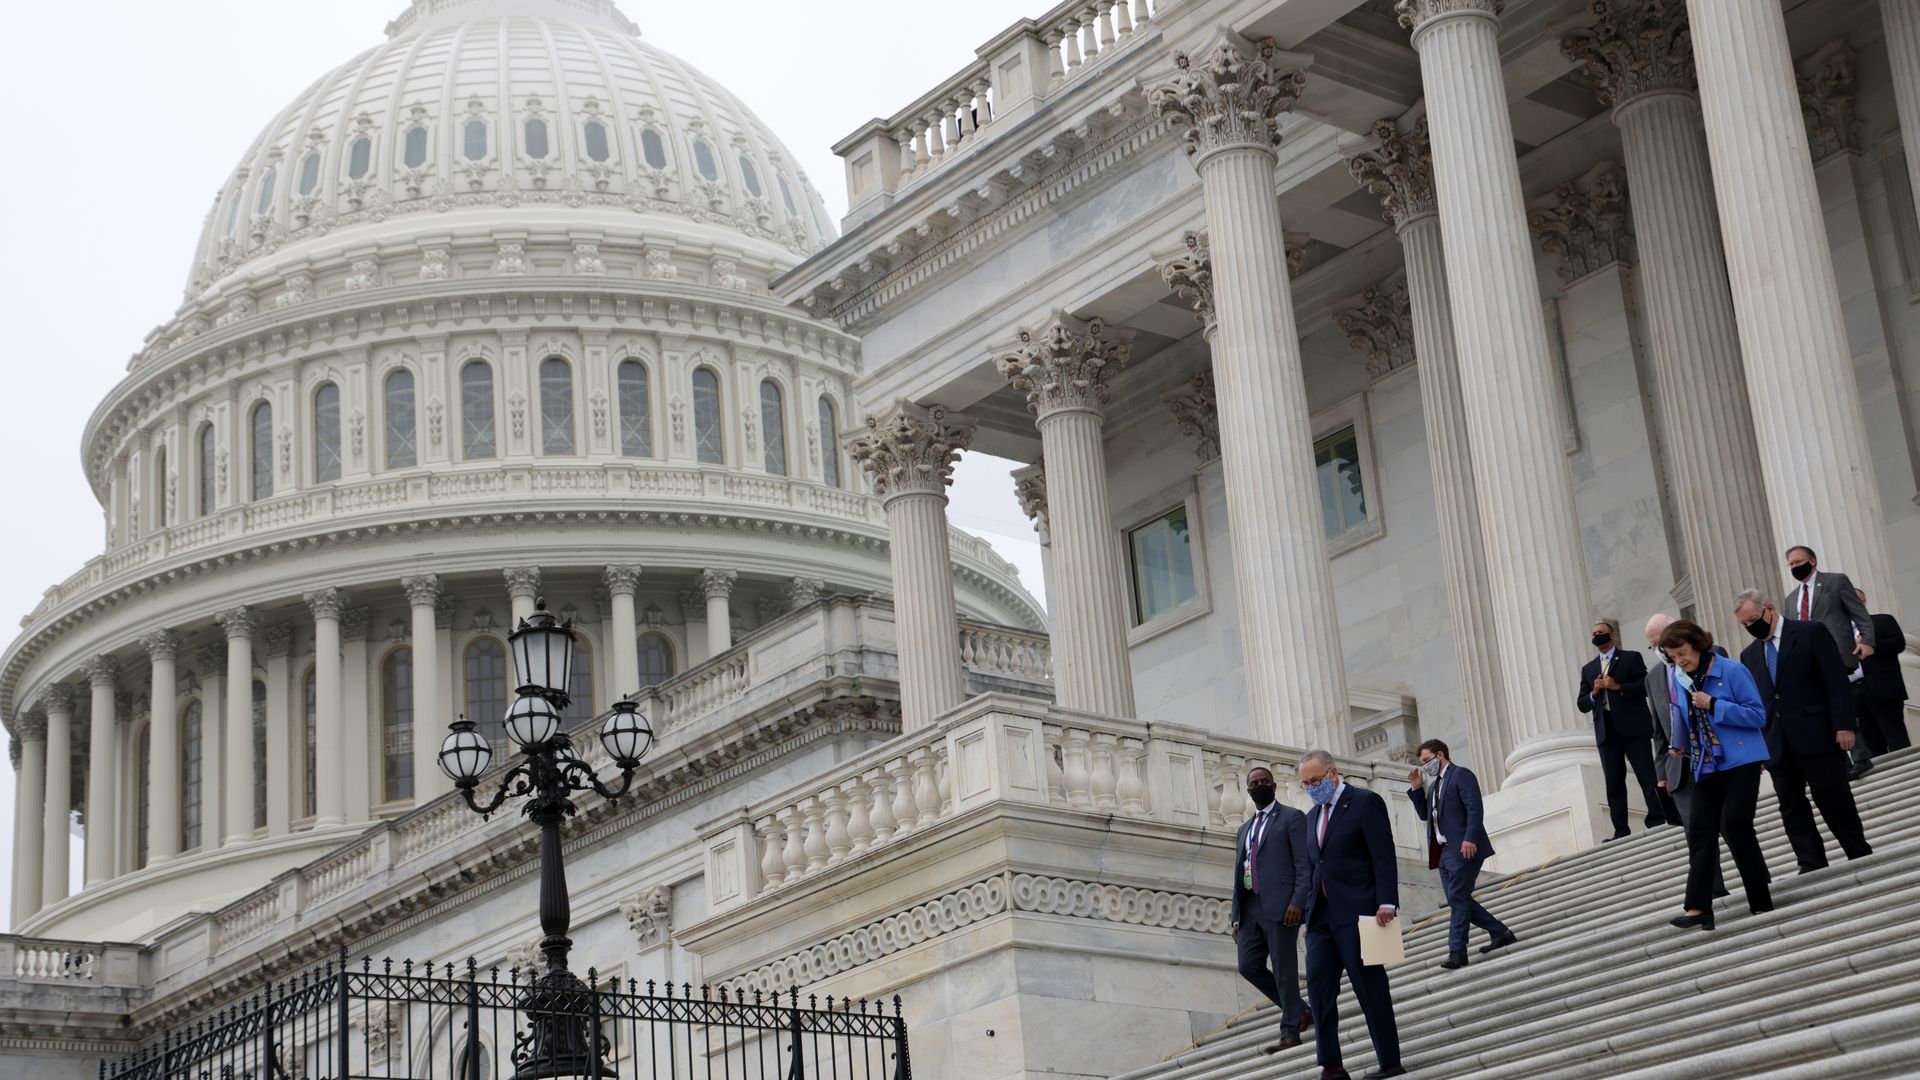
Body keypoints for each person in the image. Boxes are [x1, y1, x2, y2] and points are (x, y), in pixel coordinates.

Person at [1734, 588, 1873, 873]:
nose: (1751, 627)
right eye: (1744, 624)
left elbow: (1835, 681)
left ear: (1769, 608)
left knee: (1832, 795)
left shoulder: (1810, 632)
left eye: (1753, 619)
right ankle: (1810, 861)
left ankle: (1857, 850)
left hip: (1818, 732)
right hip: (1777, 742)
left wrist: (1845, 725)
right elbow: (1757, 704)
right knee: (1790, 804)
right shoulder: (1748, 655)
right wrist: (1758, 747)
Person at [1656, 619, 1772, 930]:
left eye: (1683, 652)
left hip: (1742, 759)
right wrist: (1679, 745)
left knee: (1736, 825)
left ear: (1697, 643)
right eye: (1673, 656)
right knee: (1700, 831)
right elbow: (1684, 719)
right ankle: (1697, 907)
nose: (1680, 660)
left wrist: (1715, 704)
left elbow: (1757, 714)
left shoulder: (1731, 670)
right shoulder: (1681, 681)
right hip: (1705, 764)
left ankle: (1760, 896)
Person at [1298, 749, 1404, 1080]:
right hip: (1321, 918)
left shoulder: (1364, 803)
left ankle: (1390, 1061)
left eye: (1315, 780)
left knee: (1370, 988)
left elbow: (1382, 854)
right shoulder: (1310, 817)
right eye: (1305, 783)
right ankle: (1331, 1065)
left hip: (1359, 913)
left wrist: (1387, 901)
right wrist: (1307, 912)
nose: (1312, 787)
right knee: (1318, 988)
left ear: (1333, 773)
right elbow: (1316, 867)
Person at [1405, 739, 1516, 971]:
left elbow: (1475, 808)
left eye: (1426, 761)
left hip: (1465, 847)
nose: (1425, 766)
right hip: (1444, 852)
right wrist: (1417, 788)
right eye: (1422, 763)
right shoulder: (1435, 786)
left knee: (1457, 898)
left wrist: (1470, 838)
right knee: (1459, 898)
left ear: (1440, 754)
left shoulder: (1461, 775)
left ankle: (1458, 951)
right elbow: (1426, 815)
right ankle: (1500, 932)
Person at [1230, 766, 1314, 1053]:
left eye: (1265, 781)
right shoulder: (1244, 828)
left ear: (1274, 786)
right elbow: (1239, 873)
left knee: (1284, 969)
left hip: (1282, 907)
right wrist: (1235, 917)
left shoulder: (1291, 818)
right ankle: (1301, 1010)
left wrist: (1298, 902)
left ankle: (1289, 1032)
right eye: (1254, 783)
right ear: (1248, 789)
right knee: (1248, 965)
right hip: (1250, 908)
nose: (1260, 786)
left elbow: (1304, 864)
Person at [1643, 613, 1723, 898]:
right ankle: (1713, 890)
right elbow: (1658, 729)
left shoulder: (1711, 656)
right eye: (1653, 646)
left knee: (1730, 823)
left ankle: (1755, 879)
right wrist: (1661, 773)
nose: (1658, 651)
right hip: (1680, 766)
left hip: (1716, 757)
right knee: (1695, 830)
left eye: (1660, 644)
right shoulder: (1653, 677)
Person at [1783, 545, 1876, 779]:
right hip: (1806, 661)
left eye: (1798, 562)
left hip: (1835, 652)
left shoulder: (1835, 582)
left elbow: (1859, 614)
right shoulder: (1791, 598)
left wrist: (1867, 641)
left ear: (1812, 561)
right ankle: (1843, 762)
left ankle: (1861, 756)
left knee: (1839, 702)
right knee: (1822, 710)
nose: (1795, 567)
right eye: (1791, 564)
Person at [1576, 618, 1667, 838]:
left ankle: (1657, 819)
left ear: (1612, 635)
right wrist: (1594, 692)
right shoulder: (1589, 669)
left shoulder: (1630, 658)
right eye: (1594, 632)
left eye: (1602, 631)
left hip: (1633, 727)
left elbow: (1645, 686)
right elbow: (1582, 703)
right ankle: (1620, 830)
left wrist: (1618, 687)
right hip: (1607, 733)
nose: (1597, 635)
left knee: (1646, 775)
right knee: (1614, 783)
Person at [1854, 589, 1910, 754]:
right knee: (1870, 743)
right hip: (1855, 692)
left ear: (1864, 601)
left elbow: (1899, 643)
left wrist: (1872, 644)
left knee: (1895, 737)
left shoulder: (1883, 620)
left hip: (1884, 687)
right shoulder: (1840, 632)